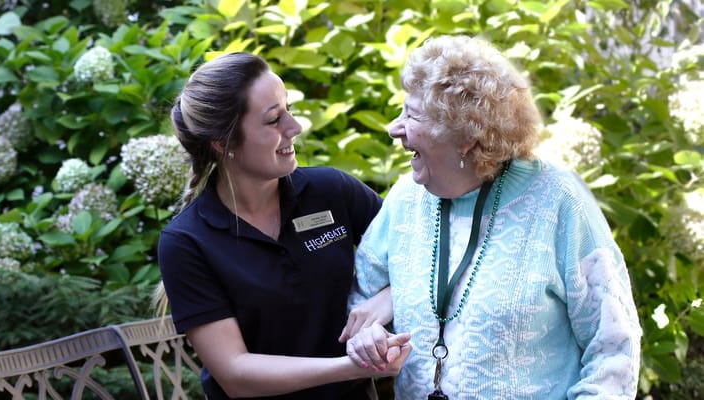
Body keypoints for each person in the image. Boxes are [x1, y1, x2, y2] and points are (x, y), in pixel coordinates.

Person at [346, 35, 642, 399]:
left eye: (412, 115)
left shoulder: (559, 201)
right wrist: (373, 337)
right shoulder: (406, 199)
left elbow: (614, 347)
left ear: (466, 137)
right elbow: (360, 300)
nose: (394, 128)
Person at [157, 51, 412, 399]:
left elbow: (423, 249)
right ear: (224, 143)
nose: (295, 127)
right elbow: (235, 372)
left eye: (288, 109)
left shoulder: (331, 190)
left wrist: (389, 298)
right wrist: (350, 367)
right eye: (274, 119)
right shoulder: (187, 241)